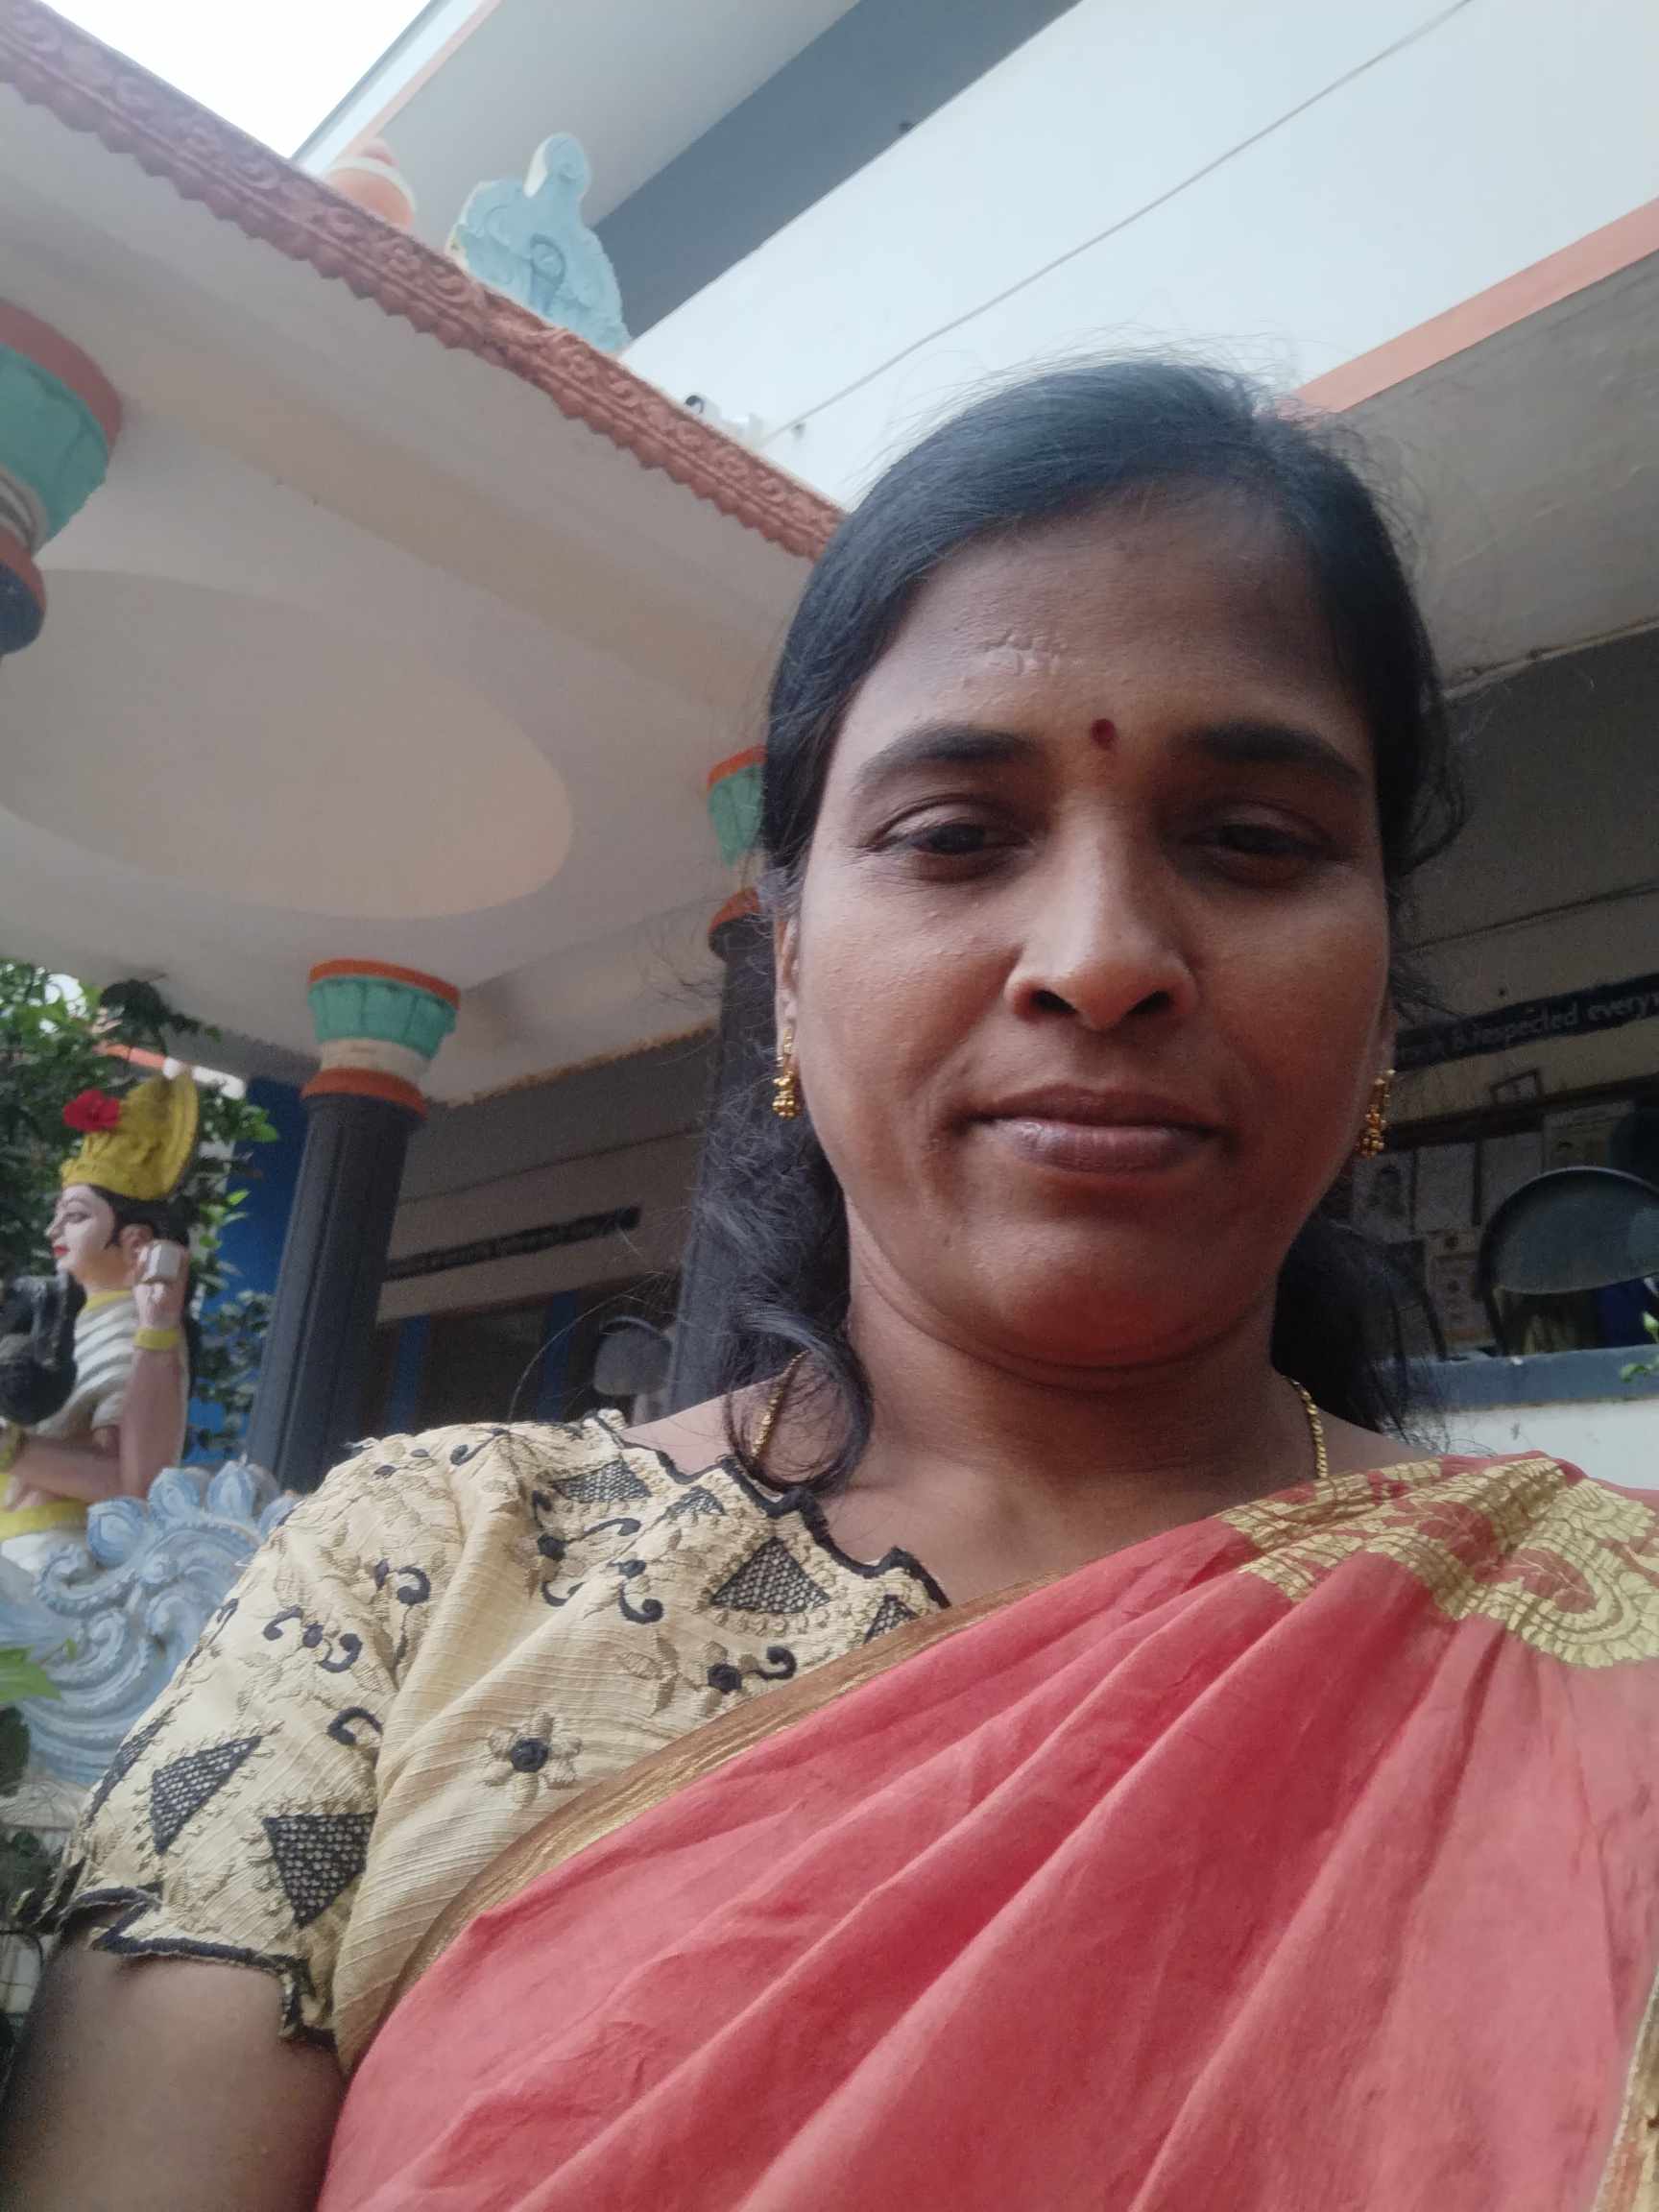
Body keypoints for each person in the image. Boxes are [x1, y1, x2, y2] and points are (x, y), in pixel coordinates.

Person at [7, 360, 1658, 2212]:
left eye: (1252, 841)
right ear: (787, 976)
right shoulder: (416, 1577)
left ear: (1378, 999)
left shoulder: (1609, 1649)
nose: (1099, 955)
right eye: (954, 834)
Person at [0, 1075, 195, 1579]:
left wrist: (13, 1450)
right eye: (58, 1215)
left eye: (75, 1217)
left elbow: (132, 1484)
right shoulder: (64, 1317)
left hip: (55, 1559)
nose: (53, 1230)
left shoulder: (137, 1328)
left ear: (135, 1242)